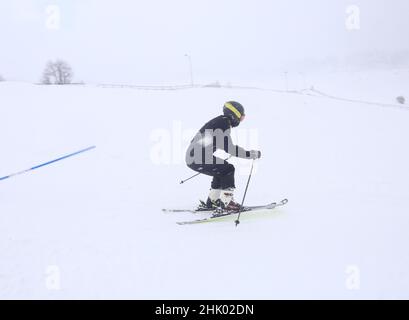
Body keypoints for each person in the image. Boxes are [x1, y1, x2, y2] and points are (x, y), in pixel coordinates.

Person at [185, 101, 261, 211]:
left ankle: (213, 201)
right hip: (197, 157)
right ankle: (227, 203)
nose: (241, 120)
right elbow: (229, 148)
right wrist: (249, 154)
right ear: (234, 114)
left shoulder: (220, 122)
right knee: (228, 169)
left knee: (220, 170)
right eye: (241, 116)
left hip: (193, 157)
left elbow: (219, 143)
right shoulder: (223, 124)